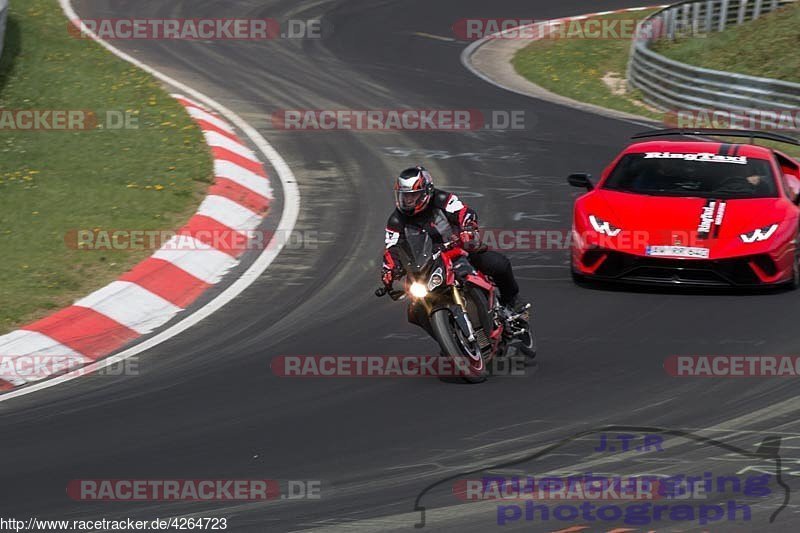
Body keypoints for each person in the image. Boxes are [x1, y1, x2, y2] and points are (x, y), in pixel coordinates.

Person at [381, 166, 525, 313]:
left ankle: (512, 301)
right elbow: (392, 247)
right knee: (415, 308)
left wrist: (468, 228)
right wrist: (389, 270)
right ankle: (446, 328)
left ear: (426, 191)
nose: (408, 200)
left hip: (458, 249)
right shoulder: (395, 220)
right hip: (426, 266)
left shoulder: (442, 199)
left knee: (499, 264)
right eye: (404, 196)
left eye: (413, 195)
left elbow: (463, 211)